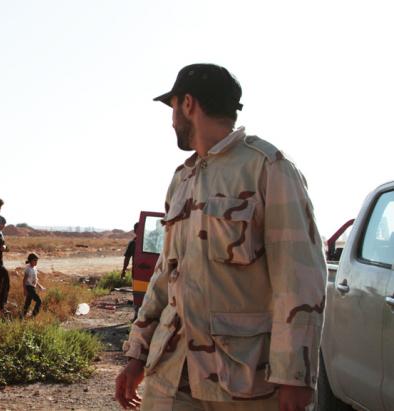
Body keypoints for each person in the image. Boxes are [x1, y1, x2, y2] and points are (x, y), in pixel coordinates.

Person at [115, 64, 326, 411]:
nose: (171, 121)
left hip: (240, 383)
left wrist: (295, 376)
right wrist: (138, 353)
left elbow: (300, 279)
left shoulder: (267, 167)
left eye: (172, 108)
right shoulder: (181, 179)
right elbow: (165, 275)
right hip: (171, 375)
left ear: (187, 104)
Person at [22, 253, 45, 318]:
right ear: (30, 260)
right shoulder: (28, 268)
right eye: (35, 260)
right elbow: (24, 280)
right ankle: (33, 316)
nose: (36, 262)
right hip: (29, 287)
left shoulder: (35, 268)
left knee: (27, 303)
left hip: (33, 287)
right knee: (39, 301)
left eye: (37, 260)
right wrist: (25, 290)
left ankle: (22, 316)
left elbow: (35, 279)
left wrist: (40, 286)